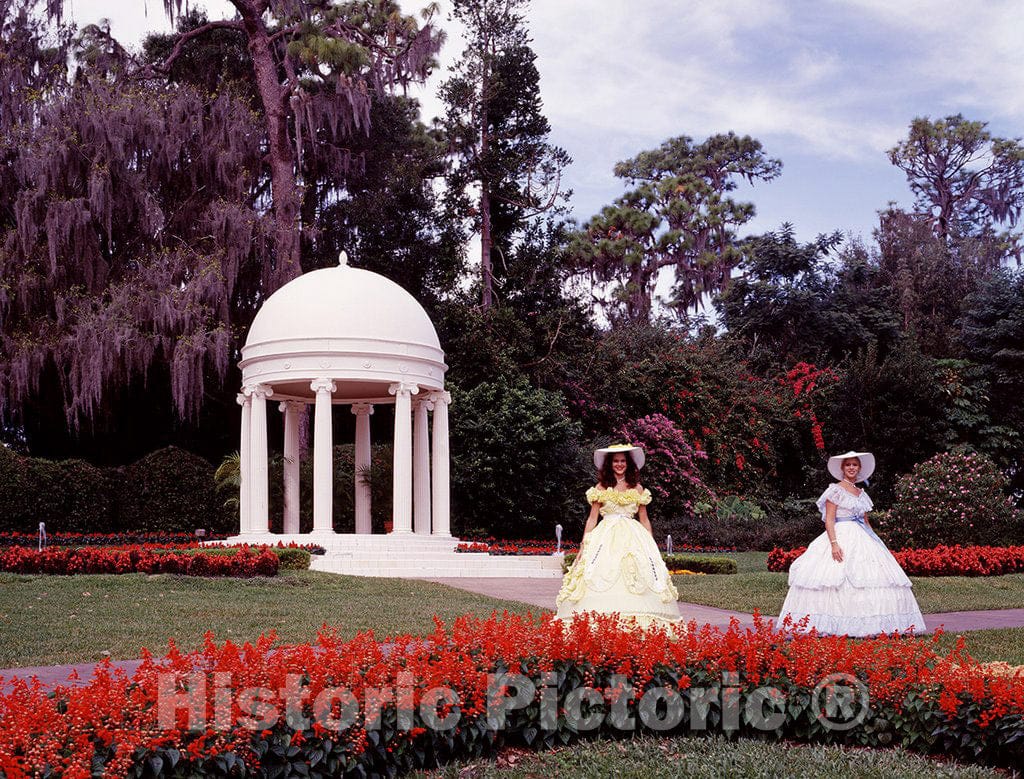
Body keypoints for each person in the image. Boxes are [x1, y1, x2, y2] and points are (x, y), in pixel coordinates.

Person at [777, 450, 926, 636]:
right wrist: (834, 543)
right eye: (848, 465)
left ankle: (872, 624)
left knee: (872, 578)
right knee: (834, 579)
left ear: (859, 468)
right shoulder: (835, 490)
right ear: (842, 468)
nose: (851, 468)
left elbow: (865, 520)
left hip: (862, 537)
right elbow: (829, 520)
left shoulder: (861, 493)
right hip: (841, 535)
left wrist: (877, 542)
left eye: (855, 465)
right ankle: (831, 623)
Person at [555, 444, 683, 630]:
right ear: (610, 464)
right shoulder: (601, 487)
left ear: (628, 464)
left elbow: (644, 520)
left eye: (623, 461)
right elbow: (592, 519)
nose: (619, 464)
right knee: (602, 574)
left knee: (635, 575)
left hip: (633, 536)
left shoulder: (637, 489)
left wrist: (650, 544)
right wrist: (584, 544)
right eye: (616, 461)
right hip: (605, 537)